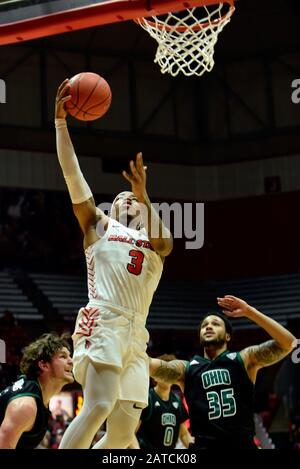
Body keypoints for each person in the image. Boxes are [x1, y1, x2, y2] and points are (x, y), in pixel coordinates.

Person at [54, 79, 173, 449]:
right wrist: (61, 125)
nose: (127, 199)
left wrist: (145, 196)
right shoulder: (99, 225)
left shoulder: (153, 241)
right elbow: (74, 177)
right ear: (111, 209)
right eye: (120, 196)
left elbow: (166, 244)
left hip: (137, 335)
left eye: (132, 199)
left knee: (122, 435)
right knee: (98, 406)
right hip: (104, 319)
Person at [149, 295, 296, 449]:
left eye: (216, 324)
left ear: (228, 336)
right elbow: (147, 365)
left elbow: (288, 343)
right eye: (204, 325)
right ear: (200, 337)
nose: (208, 326)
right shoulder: (186, 369)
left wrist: (250, 312)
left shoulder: (244, 360)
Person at [0, 332, 73, 449]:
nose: (71, 361)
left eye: (69, 356)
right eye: (63, 356)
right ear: (44, 365)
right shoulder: (25, 405)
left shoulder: (38, 396)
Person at [129, 355, 193, 449]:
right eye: (164, 373)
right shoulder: (147, 398)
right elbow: (130, 433)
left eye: (171, 373)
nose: (168, 377)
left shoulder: (177, 401)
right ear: (155, 377)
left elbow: (184, 435)